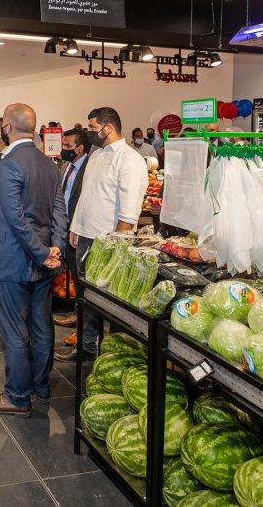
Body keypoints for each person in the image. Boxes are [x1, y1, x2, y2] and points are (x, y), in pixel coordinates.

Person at [0, 103, 66, 417]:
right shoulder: (49, 164)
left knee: (15, 330)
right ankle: (40, 386)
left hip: (12, 260)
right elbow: (59, 212)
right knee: (41, 326)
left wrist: (43, 253)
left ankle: (17, 396)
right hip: (42, 261)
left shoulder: (10, 163)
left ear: (7, 128)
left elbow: (15, 219)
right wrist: (54, 249)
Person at [57, 107, 149, 362]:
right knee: (86, 298)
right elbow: (86, 195)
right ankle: (87, 347)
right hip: (85, 238)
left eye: (92, 128)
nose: (89, 132)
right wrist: (76, 226)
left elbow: (129, 211)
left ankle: (113, 355)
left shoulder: (129, 159)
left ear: (108, 128)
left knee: (113, 304)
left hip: (109, 243)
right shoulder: (96, 156)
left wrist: (117, 247)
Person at [52, 128, 91, 360]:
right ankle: (77, 316)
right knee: (74, 277)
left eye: (68, 146)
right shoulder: (66, 166)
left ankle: (84, 336)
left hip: (80, 230)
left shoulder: (89, 169)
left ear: (80, 148)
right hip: (64, 227)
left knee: (81, 278)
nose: (63, 150)